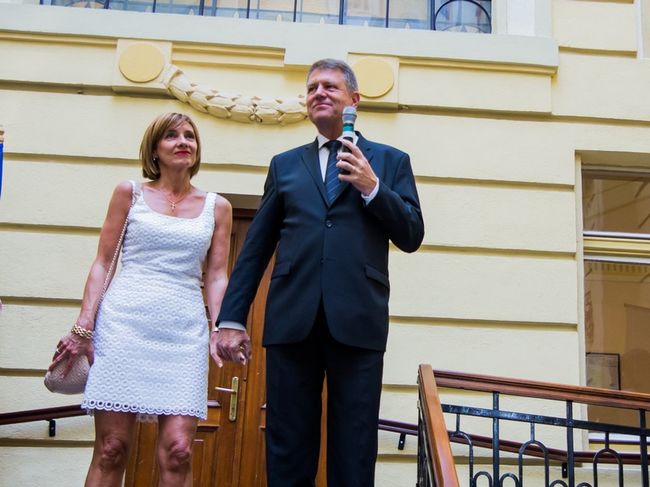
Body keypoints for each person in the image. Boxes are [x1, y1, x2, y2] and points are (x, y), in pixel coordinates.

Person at [215, 59, 424, 486]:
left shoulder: (390, 161)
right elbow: (256, 248)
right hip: (292, 321)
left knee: (354, 451)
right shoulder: (285, 165)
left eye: (330, 86)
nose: (319, 93)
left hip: (358, 322)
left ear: (354, 101)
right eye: (312, 88)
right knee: (287, 450)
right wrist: (232, 318)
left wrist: (372, 187)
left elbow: (411, 235)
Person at [48, 112, 233, 487]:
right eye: (171, 136)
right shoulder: (129, 193)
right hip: (123, 327)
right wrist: (83, 327)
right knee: (111, 448)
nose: (183, 142)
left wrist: (220, 328)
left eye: (190, 136)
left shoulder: (218, 207)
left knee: (179, 451)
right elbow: (103, 263)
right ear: (154, 149)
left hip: (183, 334)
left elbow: (216, 275)